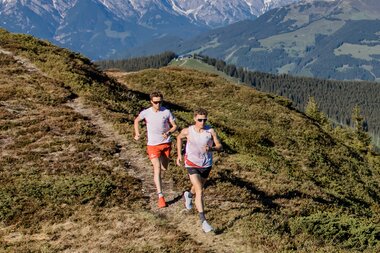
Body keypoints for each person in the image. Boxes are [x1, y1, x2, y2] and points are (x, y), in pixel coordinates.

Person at [176, 108, 222, 233]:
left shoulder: (210, 131)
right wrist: (180, 154)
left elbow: (219, 146)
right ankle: (203, 221)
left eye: (204, 120)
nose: (202, 122)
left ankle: (188, 195)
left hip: (206, 164)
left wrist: (211, 148)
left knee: (197, 187)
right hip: (191, 163)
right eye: (200, 120)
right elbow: (179, 138)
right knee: (200, 190)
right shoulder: (188, 131)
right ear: (194, 119)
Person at [134, 91, 177, 208]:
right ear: (151, 102)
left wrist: (168, 132)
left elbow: (174, 126)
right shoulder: (146, 113)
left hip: (166, 143)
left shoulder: (167, 112)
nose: (158, 104)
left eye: (160, 102)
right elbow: (136, 120)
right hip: (152, 145)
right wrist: (137, 134)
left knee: (164, 167)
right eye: (155, 102)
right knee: (156, 168)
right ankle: (160, 196)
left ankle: (160, 188)